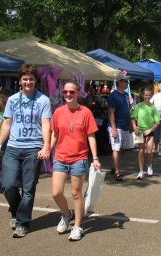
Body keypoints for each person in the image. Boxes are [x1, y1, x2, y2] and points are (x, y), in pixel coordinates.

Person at [0, 64, 52, 238]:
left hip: (34, 148)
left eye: (31, 78)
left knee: (28, 188)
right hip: (13, 147)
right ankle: (16, 211)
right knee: (7, 185)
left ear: (35, 81)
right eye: (25, 78)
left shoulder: (43, 100)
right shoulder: (12, 100)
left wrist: (46, 145)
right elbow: (7, 124)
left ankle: (22, 222)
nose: (28, 82)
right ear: (20, 81)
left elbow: (46, 124)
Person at [51, 81, 100, 241]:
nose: (68, 95)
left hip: (79, 158)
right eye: (65, 92)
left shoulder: (85, 112)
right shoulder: (58, 112)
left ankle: (78, 226)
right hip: (60, 157)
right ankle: (66, 214)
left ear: (78, 93)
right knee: (56, 192)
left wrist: (96, 158)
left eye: (71, 92)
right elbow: (55, 134)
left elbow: (91, 136)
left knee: (75, 193)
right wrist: (47, 149)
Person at [131, 88, 161, 179]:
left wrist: (150, 130)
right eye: (145, 95)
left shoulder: (153, 107)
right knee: (141, 151)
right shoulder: (138, 106)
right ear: (143, 96)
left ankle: (149, 166)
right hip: (139, 131)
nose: (147, 97)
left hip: (149, 131)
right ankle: (141, 171)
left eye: (148, 95)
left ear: (151, 96)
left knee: (149, 151)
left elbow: (158, 122)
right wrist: (135, 128)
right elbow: (133, 119)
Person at [107, 73, 132, 181]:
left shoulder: (126, 95)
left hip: (124, 125)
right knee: (116, 148)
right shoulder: (113, 95)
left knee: (121, 148)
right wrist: (113, 128)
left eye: (127, 81)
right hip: (117, 126)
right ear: (119, 82)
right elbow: (111, 112)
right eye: (125, 81)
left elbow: (128, 109)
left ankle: (114, 166)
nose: (127, 83)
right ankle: (117, 172)